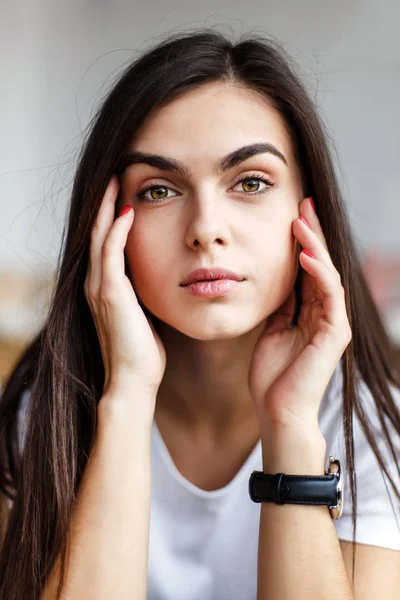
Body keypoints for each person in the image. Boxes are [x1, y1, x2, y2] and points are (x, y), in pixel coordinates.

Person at [0, 27, 399, 600]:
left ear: (307, 214)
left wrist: (289, 426)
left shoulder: (375, 433)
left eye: (252, 181)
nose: (206, 229)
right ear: (108, 223)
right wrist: (128, 395)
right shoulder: (51, 412)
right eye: (159, 190)